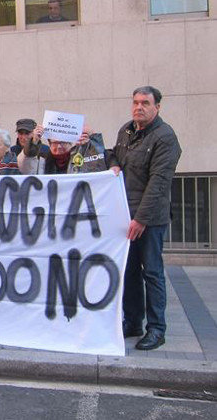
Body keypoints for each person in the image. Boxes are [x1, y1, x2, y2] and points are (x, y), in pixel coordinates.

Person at [110, 86, 181, 351]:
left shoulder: (165, 137)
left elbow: (159, 182)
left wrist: (140, 219)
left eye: (145, 103)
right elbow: (115, 154)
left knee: (151, 272)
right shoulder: (127, 131)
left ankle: (156, 329)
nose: (139, 107)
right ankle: (133, 322)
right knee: (128, 272)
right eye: (136, 102)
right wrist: (112, 163)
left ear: (157, 107)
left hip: (149, 219)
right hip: (125, 215)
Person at [18, 125, 110, 174]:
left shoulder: (80, 157)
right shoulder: (41, 160)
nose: (58, 147)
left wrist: (92, 141)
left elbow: (98, 166)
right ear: (49, 144)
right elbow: (24, 167)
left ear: (71, 143)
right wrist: (33, 142)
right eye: (55, 143)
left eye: (63, 143)